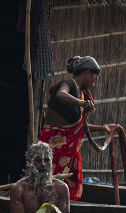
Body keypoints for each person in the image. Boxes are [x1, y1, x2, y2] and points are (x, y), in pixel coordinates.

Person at [38, 55, 117, 201]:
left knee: (60, 191)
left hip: (64, 155)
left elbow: (80, 127)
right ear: (87, 72)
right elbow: (60, 94)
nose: (95, 82)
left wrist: (103, 128)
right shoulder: (68, 84)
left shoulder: (81, 94)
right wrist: (81, 103)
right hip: (51, 150)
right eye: (95, 77)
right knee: (43, 189)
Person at [9, 141, 71, 213]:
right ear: (29, 163)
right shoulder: (19, 189)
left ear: (51, 162)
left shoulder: (61, 188)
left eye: (47, 160)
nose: (43, 165)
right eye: (38, 160)